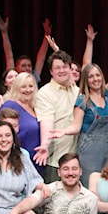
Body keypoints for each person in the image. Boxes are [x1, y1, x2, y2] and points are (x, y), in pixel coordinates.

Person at [49, 27, 108, 185]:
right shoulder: (82, 100)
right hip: (88, 150)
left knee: (105, 187)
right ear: (86, 80)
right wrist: (63, 131)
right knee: (89, 188)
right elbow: (76, 126)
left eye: (98, 75)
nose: (95, 79)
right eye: (91, 76)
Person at [37, 48, 78, 182]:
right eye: (57, 68)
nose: (61, 70)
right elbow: (46, 121)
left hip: (77, 160)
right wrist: (45, 144)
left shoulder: (78, 91)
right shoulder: (45, 93)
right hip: (56, 161)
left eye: (65, 67)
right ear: (51, 71)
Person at [0, 72, 45, 162]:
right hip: (17, 161)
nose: (27, 90)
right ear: (16, 88)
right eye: (23, 87)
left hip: (38, 160)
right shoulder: (10, 104)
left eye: (30, 86)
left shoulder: (36, 107)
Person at [0, 13, 51, 84]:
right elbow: (9, 56)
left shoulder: (33, 77)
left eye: (29, 66)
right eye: (23, 66)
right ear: (16, 68)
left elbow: (41, 58)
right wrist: (4, 33)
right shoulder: (13, 78)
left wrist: (47, 35)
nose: (27, 68)